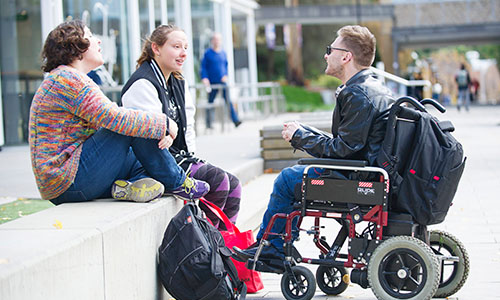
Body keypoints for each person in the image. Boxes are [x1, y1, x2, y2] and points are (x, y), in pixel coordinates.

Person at [233, 25, 395, 261]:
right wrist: (304, 132)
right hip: (366, 174)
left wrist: (300, 137)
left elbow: (343, 151)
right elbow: (350, 145)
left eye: (331, 49)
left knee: (288, 179)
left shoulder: (357, 93)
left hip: (358, 180)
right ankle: (273, 245)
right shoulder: (373, 87)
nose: (326, 55)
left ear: (346, 56)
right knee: (295, 174)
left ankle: (272, 249)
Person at [29, 20, 209, 205]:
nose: (98, 41)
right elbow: (115, 118)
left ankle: (127, 186)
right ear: (76, 46)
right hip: (67, 181)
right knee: (132, 123)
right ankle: (179, 183)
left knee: (140, 152)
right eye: (90, 36)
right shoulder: (67, 80)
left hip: (72, 179)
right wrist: (164, 123)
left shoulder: (69, 78)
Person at [121, 25, 241, 228]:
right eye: (176, 46)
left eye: (185, 47)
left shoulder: (177, 80)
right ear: (156, 48)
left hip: (179, 156)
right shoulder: (142, 83)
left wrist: (195, 161)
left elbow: (188, 127)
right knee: (218, 180)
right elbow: (151, 139)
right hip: (151, 163)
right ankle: (208, 244)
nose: (183, 53)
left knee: (234, 185)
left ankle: (222, 244)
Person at [200, 32, 241, 129]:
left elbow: (225, 66)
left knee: (228, 101)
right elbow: (203, 68)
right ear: (212, 41)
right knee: (210, 102)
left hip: (222, 81)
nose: (217, 41)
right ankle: (209, 123)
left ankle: (235, 120)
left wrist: (225, 75)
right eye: (215, 39)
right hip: (212, 82)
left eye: (218, 39)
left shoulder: (223, 53)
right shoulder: (207, 54)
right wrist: (205, 78)